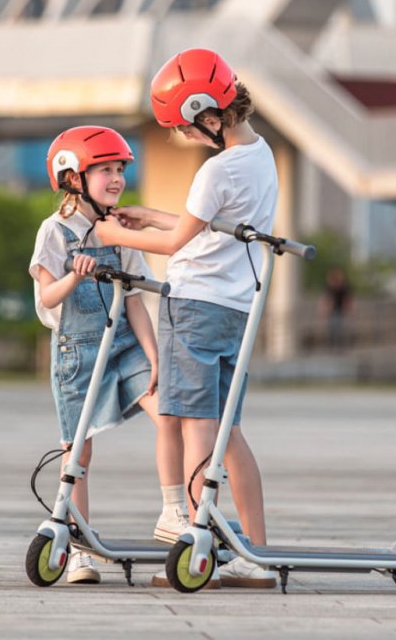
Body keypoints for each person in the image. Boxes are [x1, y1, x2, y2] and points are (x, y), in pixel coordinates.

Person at [95, 48, 277, 589]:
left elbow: (178, 244)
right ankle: (256, 554)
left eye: (187, 130)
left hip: (193, 306)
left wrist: (115, 234)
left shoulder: (216, 169)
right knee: (227, 432)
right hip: (236, 307)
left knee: (197, 431)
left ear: (210, 117)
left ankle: (199, 550)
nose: (188, 139)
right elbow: (211, 225)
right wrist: (148, 214)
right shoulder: (260, 154)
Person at [28, 126, 187, 585]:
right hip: (77, 353)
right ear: (73, 178)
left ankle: (173, 509)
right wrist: (74, 277)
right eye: (105, 170)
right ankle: (79, 547)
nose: (117, 178)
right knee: (78, 453)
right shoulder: (55, 231)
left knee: (171, 412)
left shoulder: (121, 230)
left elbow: (134, 298)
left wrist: (154, 357)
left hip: (124, 348)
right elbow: (48, 295)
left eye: (120, 169)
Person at [320, 267, 353, 350]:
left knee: (339, 328)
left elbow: (347, 299)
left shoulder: (344, 287)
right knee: (333, 327)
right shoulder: (330, 288)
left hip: (340, 310)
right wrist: (325, 308)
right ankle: (333, 345)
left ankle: (339, 345)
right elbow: (327, 299)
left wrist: (347, 308)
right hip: (333, 310)